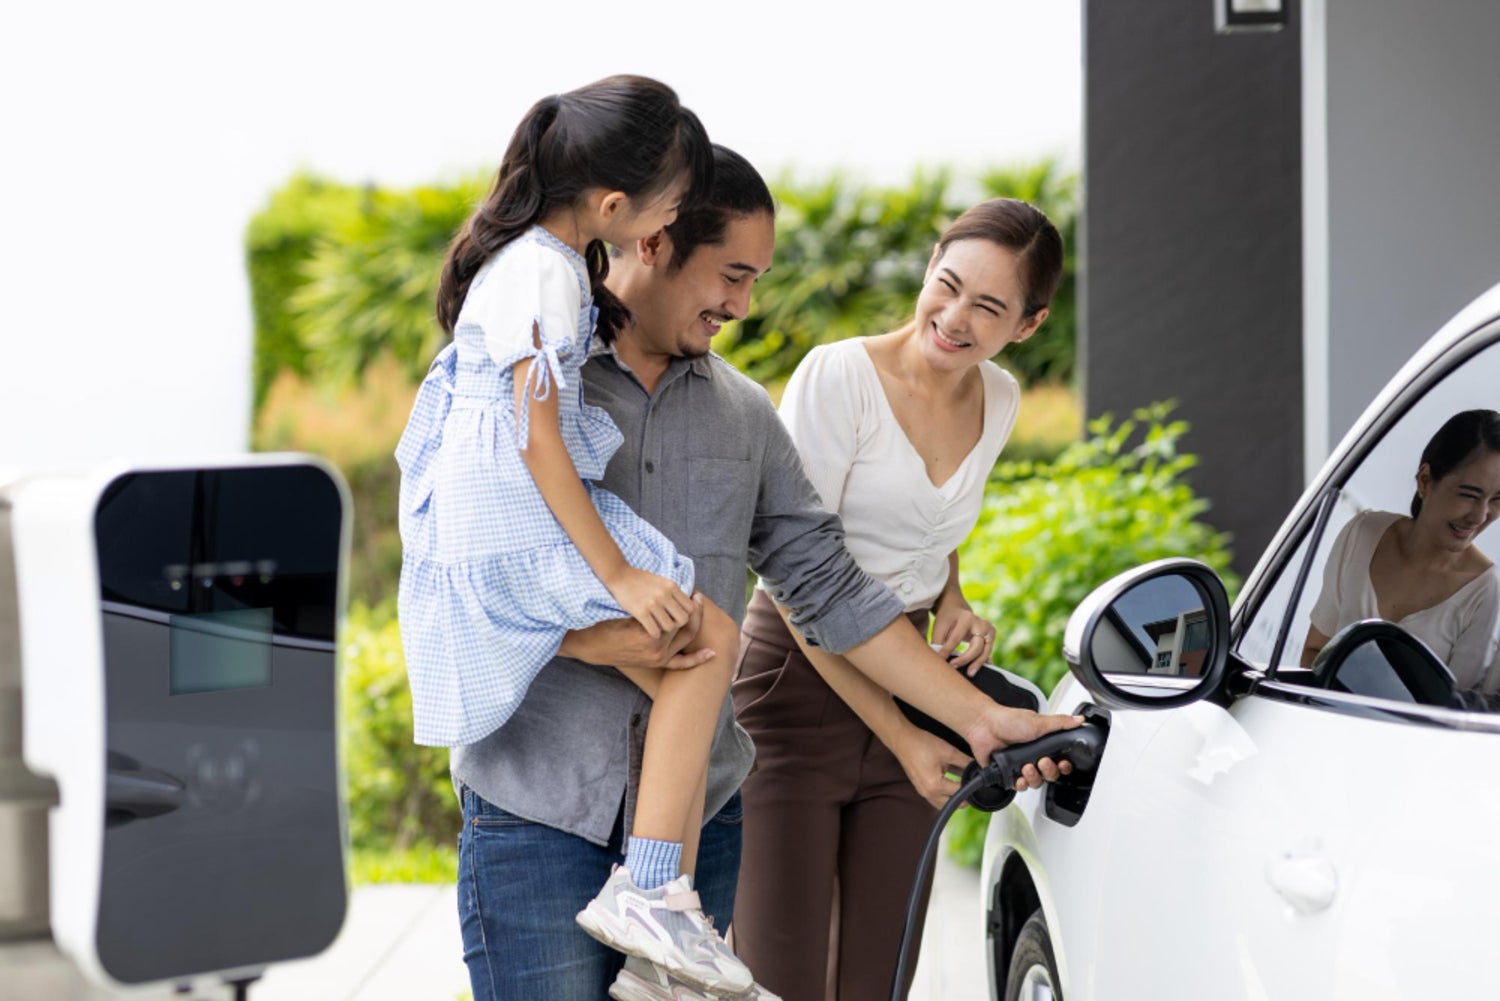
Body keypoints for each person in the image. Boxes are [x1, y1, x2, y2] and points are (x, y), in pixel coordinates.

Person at [446, 145, 1078, 1001]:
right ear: (655, 242)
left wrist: (978, 716)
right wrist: (594, 636)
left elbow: (826, 580)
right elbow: (467, 565)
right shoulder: (534, 386)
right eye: (733, 275)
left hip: (703, 820)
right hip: (539, 812)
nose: (746, 305)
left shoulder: (744, 415)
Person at [395, 77, 755, 995]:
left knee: (673, 652)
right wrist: (618, 572)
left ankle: (652, 900)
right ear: (611, 205)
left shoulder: (523, 262)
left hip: (483, 523)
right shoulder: (547, 270)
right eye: (672, 204)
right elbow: (538, 436)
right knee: (710, 638)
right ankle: (651, 890)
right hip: (513, 518)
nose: (672, 221)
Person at [730, 198, 1065, 1000]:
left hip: (916, 681)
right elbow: (801, 576)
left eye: (988, 306)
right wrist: (903, 731)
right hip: (799, 680)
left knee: (880, 978)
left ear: (1027, 323)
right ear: (928, 267)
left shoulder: (1002, 397)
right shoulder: (838, 376)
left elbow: (933, 516)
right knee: (781, 980)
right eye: (946, 285)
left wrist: (953, 594)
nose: (953, 317)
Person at [1301, 409, 1500, 693]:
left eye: (1497, 499)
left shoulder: (1482, 589)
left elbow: (1449, 711)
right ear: (1425, 480)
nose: (1480, 516)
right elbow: (1313, 652)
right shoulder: (1362, 534)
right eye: (1468, 495)